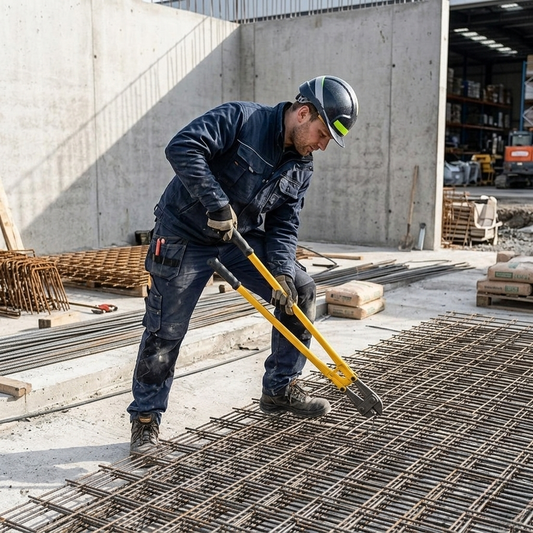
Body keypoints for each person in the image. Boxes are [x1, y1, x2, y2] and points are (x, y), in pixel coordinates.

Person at [128, 75, 359, 453]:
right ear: (304, 113)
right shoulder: (242, 119)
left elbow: (285, 224)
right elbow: (182, 146)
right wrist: (216, 202)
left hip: (237, 239)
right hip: (185, 234)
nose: (322, 145)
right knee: (166, 329)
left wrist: (281, 270)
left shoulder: (302, 166)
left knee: (299, 291)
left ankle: (280, 389)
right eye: (322, 134)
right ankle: (145, 419)